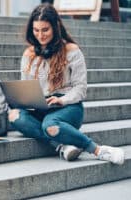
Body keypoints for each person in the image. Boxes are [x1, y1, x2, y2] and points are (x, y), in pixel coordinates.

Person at [8, 3, 125, 165]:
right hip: (42, 106)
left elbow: (81, 88)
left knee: (50, 125)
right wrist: (23, 99)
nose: (40, 36)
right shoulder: (29, 54)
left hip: (68, 107)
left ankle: (98, 150)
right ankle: (62, 145)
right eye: (36, 30)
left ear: (55, 27)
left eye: (45, 30)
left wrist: (62, 100)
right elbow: (26, 86)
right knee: (14, 116)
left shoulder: (72, 50)